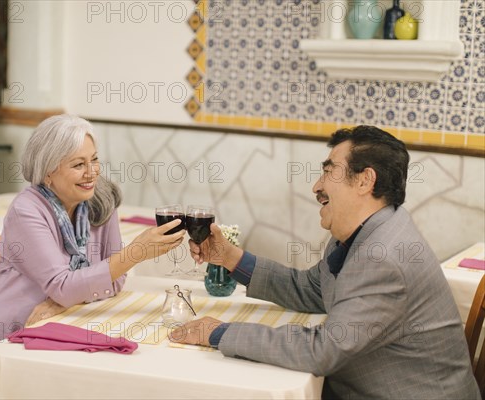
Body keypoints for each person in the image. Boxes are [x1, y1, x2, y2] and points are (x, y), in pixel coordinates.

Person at [172, 126, 480, 399]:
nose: (316, 186)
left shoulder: (384, 256)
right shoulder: (365, 231)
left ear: (364, 180)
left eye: (328, 171)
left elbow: (324, 350)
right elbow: (312, 289)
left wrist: (219, 333)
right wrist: (230, 258)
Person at [0, 114, 185, 398]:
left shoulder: (100, 201)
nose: (92, 172)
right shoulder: (27, 210)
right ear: (48, 171)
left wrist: (61, 303)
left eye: (94, 160)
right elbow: (64, 285)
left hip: (55, 332)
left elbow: (115, 280)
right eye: (78, 164)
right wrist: (135, 253)